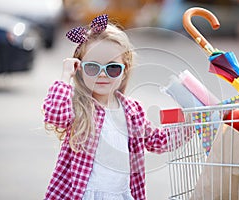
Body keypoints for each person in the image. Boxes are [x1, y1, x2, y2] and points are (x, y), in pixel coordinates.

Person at [43, 14, 191, 200]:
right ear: (79, 70)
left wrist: (190, 123)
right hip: (82, 194)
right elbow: (55, 115)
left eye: (112, 68)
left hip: (122, 194)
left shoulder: (132, 110)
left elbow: (157, 140)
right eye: (93, 68)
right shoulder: (80, 106)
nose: (102, 75)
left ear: (124, 70)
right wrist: (66, 76)